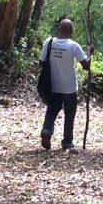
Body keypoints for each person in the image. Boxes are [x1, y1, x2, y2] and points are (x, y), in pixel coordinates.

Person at [39, 19, 90, 151]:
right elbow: (86, 66)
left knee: (52, 110)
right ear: (71, 31)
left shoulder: (49, 42)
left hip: (53, 85)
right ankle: (67, 142)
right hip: (69, 87)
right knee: (69, 114)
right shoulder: (74, 46)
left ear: (59, 29)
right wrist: (90, 54)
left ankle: (47, 130)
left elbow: (41, 62)